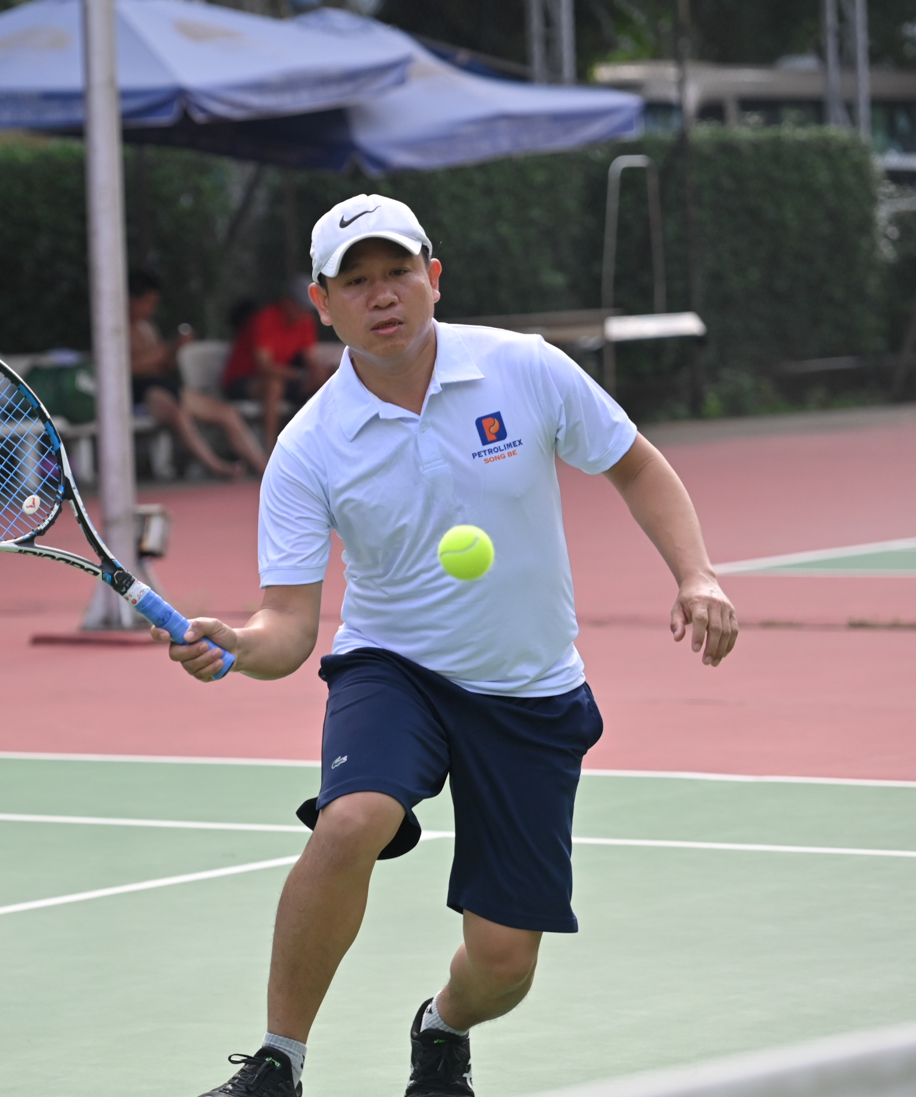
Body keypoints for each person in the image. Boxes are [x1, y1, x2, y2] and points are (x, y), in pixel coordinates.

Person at [160, 195, 739, 1097]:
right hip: (396, 670)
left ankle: (442, 1028)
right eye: (356, 281)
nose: (382, 294)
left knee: (503, 965)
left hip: (529, 687)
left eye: (397, 272)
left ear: (433, 277)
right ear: (322, 303)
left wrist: (696, 575)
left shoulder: (523, 369)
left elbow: (635, 464)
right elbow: (289, 627)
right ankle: (278, 1061)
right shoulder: (309, 446)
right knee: (351, 819)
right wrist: (238, 642)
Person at [128, 270, 270, 478]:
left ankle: (263, 465)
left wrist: (175, 349)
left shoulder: (148, 328)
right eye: (148, 303)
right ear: (132, 299)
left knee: (226, 412)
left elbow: (164, 365)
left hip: (163, 384)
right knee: (178, 414)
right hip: (140, 390)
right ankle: (216, 466)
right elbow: (125, 369)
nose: (151, 309)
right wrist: (164, 350)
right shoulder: (115, 329)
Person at [221, 277, 332, 449]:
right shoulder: (265, 318)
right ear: (287, 301)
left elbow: (310, 360)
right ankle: (271, 449)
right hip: (243, 381)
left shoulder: (305, 320)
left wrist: (321, 373)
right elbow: (264, 367)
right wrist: (299, 375)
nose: (302, 311)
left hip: (285, 378)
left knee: (328, 379)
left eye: (306, 307)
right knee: (274, 386)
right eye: (299, 305)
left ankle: (326, 444)